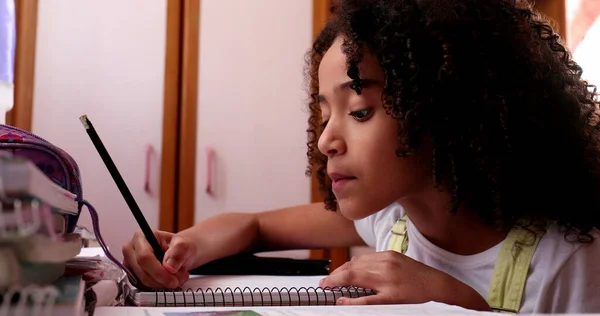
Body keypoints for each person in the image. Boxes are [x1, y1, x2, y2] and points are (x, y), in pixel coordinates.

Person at [122, 0, 600, 313]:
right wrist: (187, 245)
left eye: (361, 110)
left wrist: (455, 300)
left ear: (445, 108)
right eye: (324, 113)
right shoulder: (390, 219)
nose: (326, 140)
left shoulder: (567, 258)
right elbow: (255, 225)